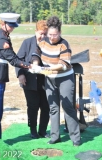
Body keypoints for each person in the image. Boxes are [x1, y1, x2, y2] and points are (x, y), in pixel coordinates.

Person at [31, 16, 81, 146]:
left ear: (60, 32)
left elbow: (63, 65)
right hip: (50, 79)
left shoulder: (64, 44)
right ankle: (55, 136)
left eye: (55, 34)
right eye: (50, 34)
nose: (52, 37)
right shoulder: (43, 42)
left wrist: (46, 68)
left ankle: (75, 137)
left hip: (65, 78)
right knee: (53, 108)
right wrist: (36, 65)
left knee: (67, 106)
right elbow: (36, 54)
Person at [0, 13, 33, 139]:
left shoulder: (4, 36)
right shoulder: (1, 39)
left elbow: (14, 57)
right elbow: (13, 60)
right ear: (2, 23)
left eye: (13, 25)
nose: (12, 28)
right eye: (10, 25)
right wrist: (30, 66)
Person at [15, 20, 50, 139]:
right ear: (36, 31)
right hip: (29, 81)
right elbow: (18, 60)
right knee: (33, 106)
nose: (43, 36)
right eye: (41, 33)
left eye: (45, 34)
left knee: (46, 106)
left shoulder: (50, 44)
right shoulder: (27, 43)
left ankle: (43, 130)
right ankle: (33, 130)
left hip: (46, 82)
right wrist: (20, 74)